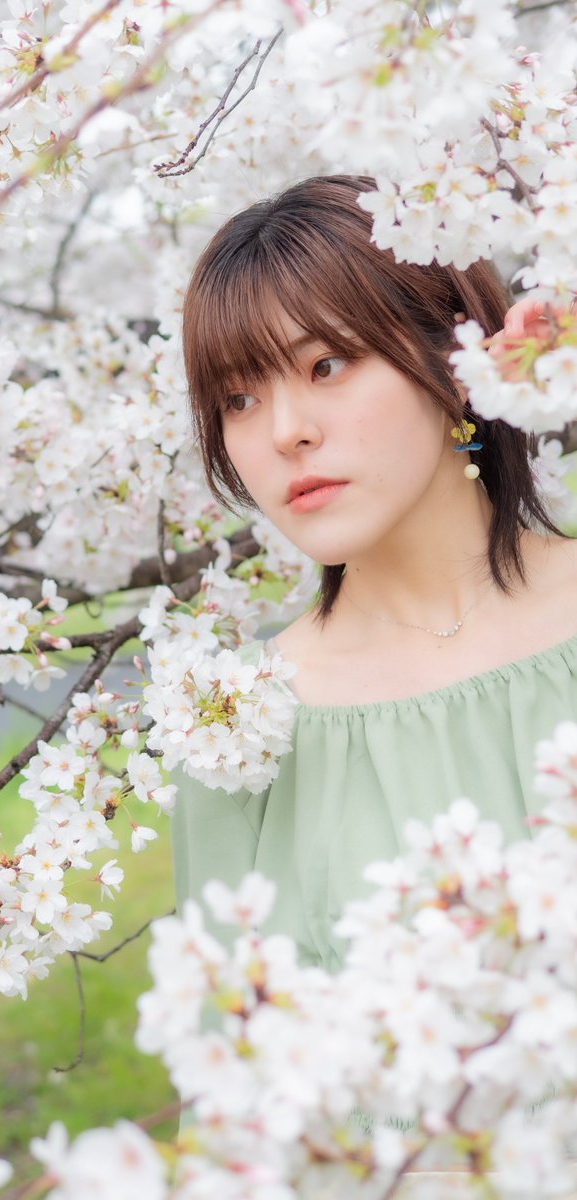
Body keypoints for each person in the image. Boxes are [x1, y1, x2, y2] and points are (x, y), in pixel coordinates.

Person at [173, 174, 577, 972]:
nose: (285, 432)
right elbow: (235, 1057)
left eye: (326, 365)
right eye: (239, 399)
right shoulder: (241, 726)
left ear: (458, 360)